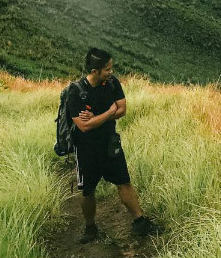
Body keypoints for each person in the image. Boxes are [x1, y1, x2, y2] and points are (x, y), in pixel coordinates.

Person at [66, 47, 159, 242]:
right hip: (87, 149)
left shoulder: (112, 83)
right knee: (88, 190)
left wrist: (98, 118)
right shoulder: (75, 92)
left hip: (110, 144)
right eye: (107, 69)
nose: (111, 72)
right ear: (94, 71)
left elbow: (122, 109)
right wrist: (109, 113)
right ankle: (90, 228)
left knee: (123, 181)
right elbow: (84, 126)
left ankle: (139, 223)